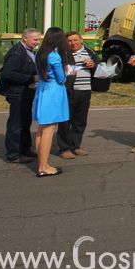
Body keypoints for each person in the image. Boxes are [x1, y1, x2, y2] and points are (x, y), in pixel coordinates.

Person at [32, 27, 71, 177]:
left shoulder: (40, 53)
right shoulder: (54, 56)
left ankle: (43, 163)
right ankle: (43, 166)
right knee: (49, 129)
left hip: (42, 89)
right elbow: (61, 78)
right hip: (53, 91)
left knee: (42, 129)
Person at [0, 28, 41, 163]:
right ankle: (13, 154)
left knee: (25, 122)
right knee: (16, 123)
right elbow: (8, 73)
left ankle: (24, 149)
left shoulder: (28, 51)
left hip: (25, 93)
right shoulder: (17, 53)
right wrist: (31, 79)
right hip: (17, 93)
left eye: (38, 39)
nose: (37, 42)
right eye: (35, 39)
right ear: (25, 38)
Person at [57, 31, 98, 159]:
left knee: (80, 121)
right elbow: (57, 70)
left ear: (81, 39)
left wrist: (93, 65)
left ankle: (76, 146)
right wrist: (67, 71)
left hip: (85, 90)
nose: (73, 43)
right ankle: (64, 148)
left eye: (75, 40)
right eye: (69, 41)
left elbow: (98, 67)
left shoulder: (89, 51)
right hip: (69, 90)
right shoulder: (63, 53)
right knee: (65, 121)